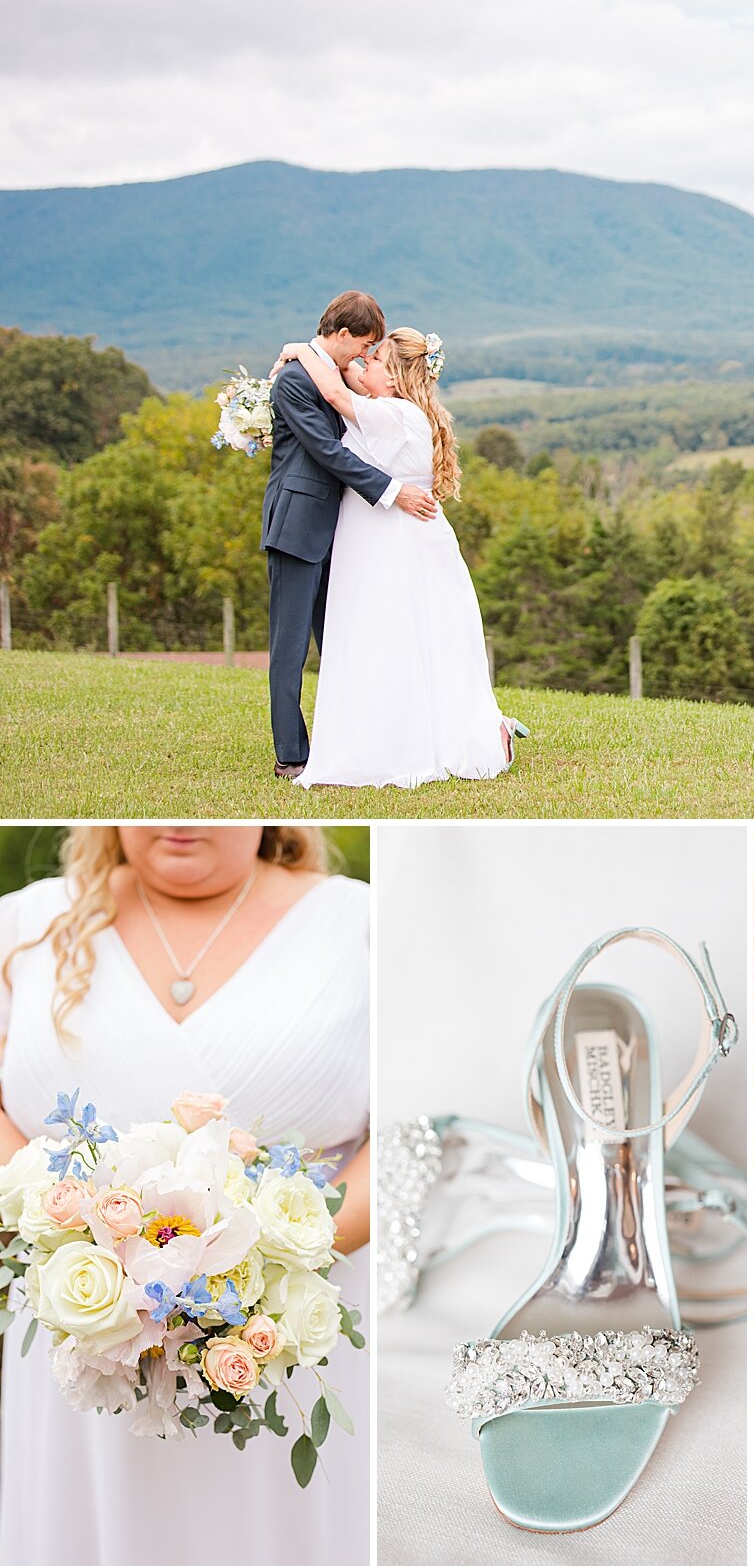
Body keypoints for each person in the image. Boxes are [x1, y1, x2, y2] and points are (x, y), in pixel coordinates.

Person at [0, 825, 370, 1563]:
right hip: (78, 1333)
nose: (181, 821)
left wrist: (252, 1276)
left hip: (288, 1334)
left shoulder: (360, 922)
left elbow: (404, 1125)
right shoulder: (24, 920)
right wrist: (87, 1251)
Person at [275, 330, 525, 789]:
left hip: (395, 542)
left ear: (392, 377)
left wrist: (301, 350)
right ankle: (387, 735)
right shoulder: (392, 408)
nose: (362, 364)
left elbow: (332, 389)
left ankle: (425, 741)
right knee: (399, 641)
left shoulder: (393, 413)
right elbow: (343, 377)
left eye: (374, 360)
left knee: (401, 638)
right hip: (381, 538)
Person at [261, 290, 439, 780]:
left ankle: (348, 738)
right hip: (297, 525)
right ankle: (291, 754)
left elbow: (355, 401)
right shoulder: (295, 381)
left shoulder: (329, 373)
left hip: (340, 532)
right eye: (362, 345)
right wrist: (393, 492)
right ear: (341, 335)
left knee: (340, 641)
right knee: (291, 645)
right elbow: (326, 451)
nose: (365, 356)